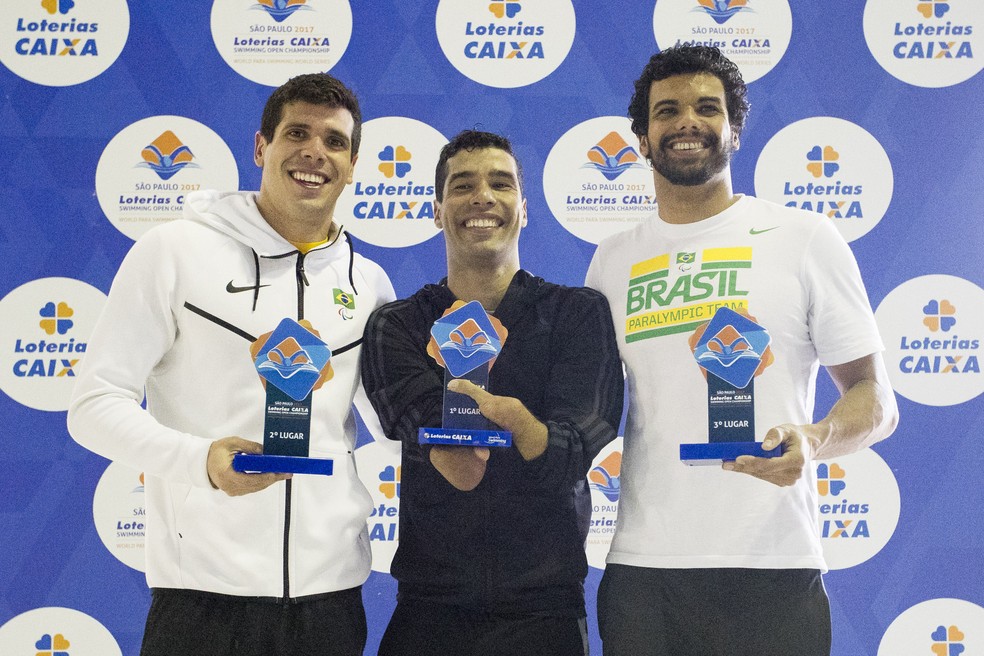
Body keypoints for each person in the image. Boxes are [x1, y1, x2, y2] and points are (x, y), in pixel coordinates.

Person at [585, 45, 899, 656]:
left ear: (734, 130)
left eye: (707, 107)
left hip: (773, 565)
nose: (687, 122)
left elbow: (876, 399)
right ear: (642, 140)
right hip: (644, 570)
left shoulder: (803, 238)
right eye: (666, 110)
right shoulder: (613, 259)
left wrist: (815, 439)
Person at [67, 73, 395, 656]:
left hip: (333, 603)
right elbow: (94, 406)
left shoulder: (367, 283)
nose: (315, 152)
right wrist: (201, 461)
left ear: (352, 165)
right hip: (203, 603)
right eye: (297, 133)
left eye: (335, 141)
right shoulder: (173, 252)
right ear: (261, 147)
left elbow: (391, 426)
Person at [361, 130, 624, 656]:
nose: (482, 196)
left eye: (500, 184)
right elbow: (452, 457)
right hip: (427, 612)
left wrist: (523, 427)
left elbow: (573, 449)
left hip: (543, 612)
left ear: (524, 210)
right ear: (437, 212)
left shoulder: (577, 313)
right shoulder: (398, 324)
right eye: (462, 186)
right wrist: (519, 434)